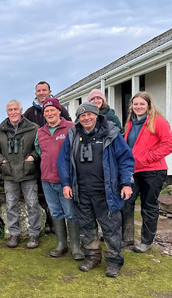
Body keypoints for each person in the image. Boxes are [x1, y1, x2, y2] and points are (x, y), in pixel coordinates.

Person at [57, 102, 134, 278]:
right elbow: (63, 161)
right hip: (81, 192)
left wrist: (126, 183)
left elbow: (125, 159)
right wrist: (66, 184)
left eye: (89, 115)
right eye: (82, 116)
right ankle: (92, 257)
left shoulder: (111, 133)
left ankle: (114, 261)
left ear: (96, 115)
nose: (86, 118)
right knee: (87, 227)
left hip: (106, 193)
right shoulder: (73, 134)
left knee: (111, 229)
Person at [122, 91, 172, 253]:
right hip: (133, 170)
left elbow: (168, 144)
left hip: (153, 170)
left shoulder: (158, 121)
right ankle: (127, 237)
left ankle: (146, 240)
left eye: (142, 104)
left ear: (148, 105)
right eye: (135, 104)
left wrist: (148, 158)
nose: (138, 107)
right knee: (127, 202)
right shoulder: (131, 122)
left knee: (148, 206)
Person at [34, 98, 83, 260]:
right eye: (46, 111)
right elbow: (39, 150)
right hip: (47, 179)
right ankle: (61, 244)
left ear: (59, 111)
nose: (49, 113)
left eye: (52, 110)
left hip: (66, 181)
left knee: (71, 213)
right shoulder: (40, 132)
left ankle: (76, 246)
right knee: (55, 212)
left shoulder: (70, 128)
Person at [24, 81, 72, 234]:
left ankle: (73, 242)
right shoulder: (30, 114)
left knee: (69, 208)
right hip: (44, 169)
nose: (41, 93)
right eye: (39, 90)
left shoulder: (67, 119)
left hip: (65, 172)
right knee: (49, 201)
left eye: (44, 90)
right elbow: (36, 146)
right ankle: (51, 227)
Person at [0, 99, 42, 249]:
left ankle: (34, 234)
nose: (13, 112)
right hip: (9, 172)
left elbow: (39, 147)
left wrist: (32, 157)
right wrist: (1, 161)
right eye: (10, 110)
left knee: (32, 204)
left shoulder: (33, 128)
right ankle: (14, 233)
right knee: (11, 205)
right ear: (6, 112)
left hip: (28, 172)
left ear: (21, 110)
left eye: (16, 109)